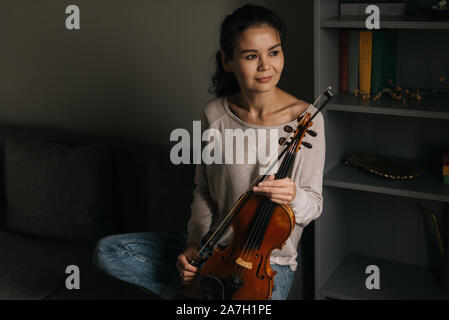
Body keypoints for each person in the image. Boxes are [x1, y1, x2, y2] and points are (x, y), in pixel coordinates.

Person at [93, 4, 325, 300]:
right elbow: (204, 190)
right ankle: (203, 291)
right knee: (109, 252)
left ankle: (198, 296)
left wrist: (294, 195)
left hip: (269, 265)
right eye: (251, 56)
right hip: (214, 250)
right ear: (227, 61)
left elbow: (314, 205)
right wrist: (193, 246)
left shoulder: (308, 118)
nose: (266, 66)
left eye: (274, 52)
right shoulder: (215, 114)